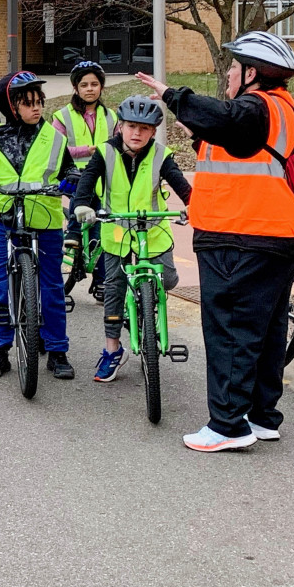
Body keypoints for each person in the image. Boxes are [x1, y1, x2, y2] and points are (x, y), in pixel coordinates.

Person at [138, 31, 294, 452]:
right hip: (274, 234)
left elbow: (231, 121)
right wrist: (199, 131)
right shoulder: (281, 109)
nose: (229, 76)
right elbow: (243, 149)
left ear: (252, 73)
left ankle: (228, 426)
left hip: (242, 236)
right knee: (266, 330)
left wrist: (173, 95)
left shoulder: (254, 107)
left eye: (233, 69)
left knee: (230, 329)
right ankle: (261, 415)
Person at [0, 72, 77, 380]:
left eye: (39, 102)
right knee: (0, 285)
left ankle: (57, 350)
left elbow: (68, 167)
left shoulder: (54, 137)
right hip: (6, 220)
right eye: (28, 104)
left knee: (51, 285)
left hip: (47, 221)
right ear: (11, 106)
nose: (36, 108)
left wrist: (72, 178)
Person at [71, 95, 192, 382]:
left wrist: (193, 205)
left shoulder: (161, 155)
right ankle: (112, 350)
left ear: (153, 132)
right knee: (112, 288)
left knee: (170, 279)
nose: (137, 134)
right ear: (120, 127)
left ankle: (146, 312)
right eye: (131, 127)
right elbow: (86, 184)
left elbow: (182, 185)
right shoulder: (105, 152)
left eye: (145, 129)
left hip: (153, 228)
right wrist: (82, 206)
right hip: (117, 229)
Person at [54, 60, 118, 300]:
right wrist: (86, 151)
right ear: (75, 88)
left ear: (101, 87)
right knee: (84, 191)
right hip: (72, 176)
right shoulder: (62, 116)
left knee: (102, 229)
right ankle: (73, 230)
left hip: (104, 178)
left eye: (94, 84)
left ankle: (101, 282)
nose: (90, 89)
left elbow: (119, 146)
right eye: (84, 84)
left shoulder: (111, 116)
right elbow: (56, 150)